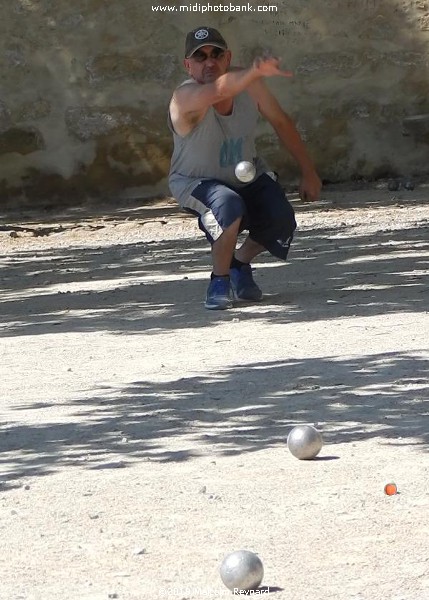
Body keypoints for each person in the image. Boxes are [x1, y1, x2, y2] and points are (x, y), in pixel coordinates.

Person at [168, 26, 322, 310]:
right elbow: (216, 92)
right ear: (187, 66)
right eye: (200, 57)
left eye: (216, 54)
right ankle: (219, 279)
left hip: (246, 174)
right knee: (228, 206)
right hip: (196, 181)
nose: (209, 62)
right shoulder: (184, 98)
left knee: (281, 217)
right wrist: (255, 71)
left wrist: (308, 171)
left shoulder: (249, 86)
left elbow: (281, 122)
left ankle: (239, 263)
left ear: (228, 58)